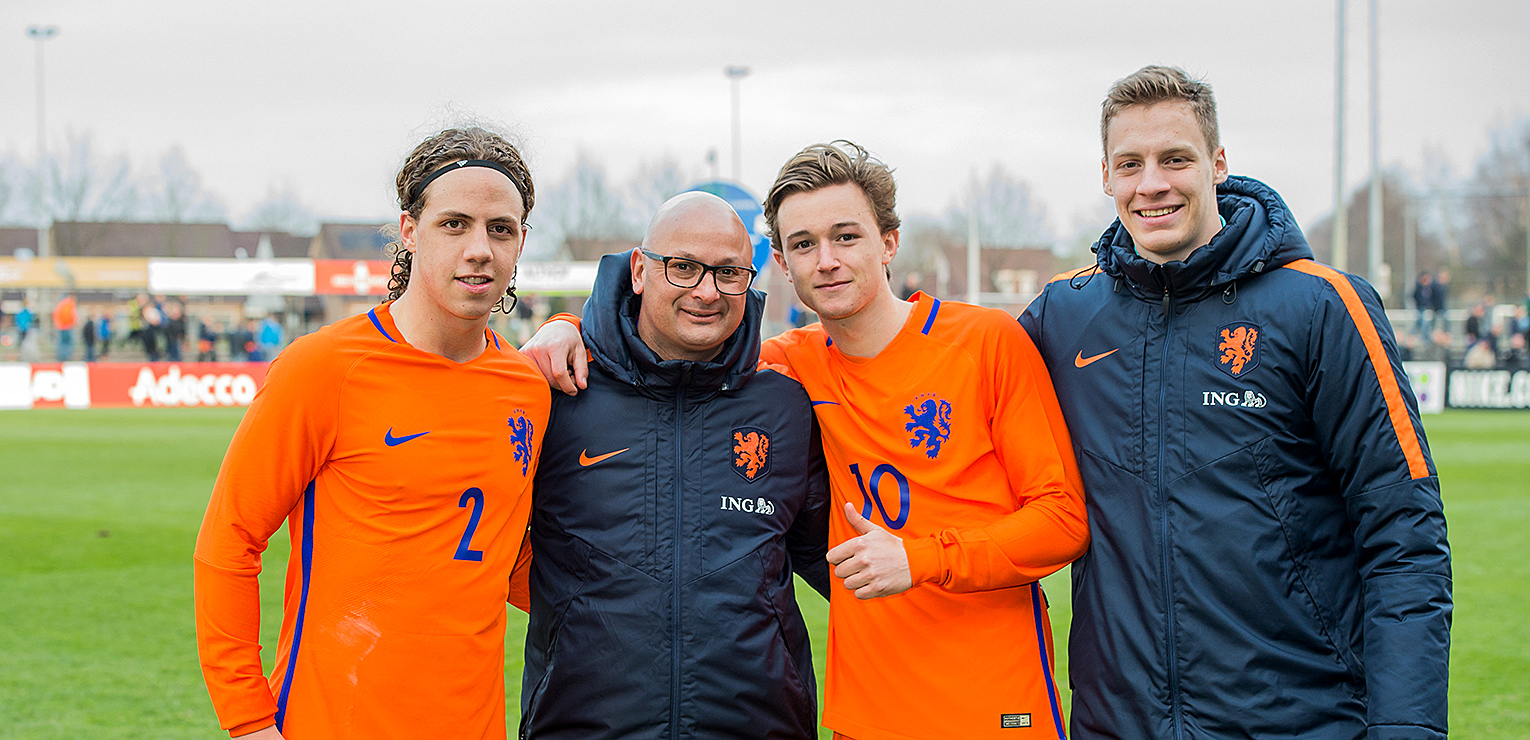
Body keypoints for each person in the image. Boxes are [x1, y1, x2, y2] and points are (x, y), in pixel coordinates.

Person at [525, 141, 1088, 739]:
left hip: (991, 703)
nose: (826, 260)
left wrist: (921, 559)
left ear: (889, 243)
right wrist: (567, 327)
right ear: (782, 266)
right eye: (802, 244)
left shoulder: (986, 342)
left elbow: (1063, 520)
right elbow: (670, 363)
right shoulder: (784, 369)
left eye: (846, 236)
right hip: (863, 714)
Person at [1019, 66, 1450, 740]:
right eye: (1130, 163)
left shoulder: (1321, 305)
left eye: (1175, 159)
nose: (1152, 183)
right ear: (1105, 175)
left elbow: (1405, 537)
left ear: (1218, 164)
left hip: (1302, 723)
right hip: (1116, 723)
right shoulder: (1062, 317)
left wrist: (1408, 729)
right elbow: (949, 395)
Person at [194, 126, 550, 740]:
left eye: (501, 229)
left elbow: (510, 564)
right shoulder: (323, 370)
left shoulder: (527, 388)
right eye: (454, 223)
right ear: (409, 231)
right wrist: (248, 720)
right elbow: (229, 541)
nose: (479, 249)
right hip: (332, 721)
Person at [517, 192, 831, 739]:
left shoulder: (786, 405)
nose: (707, 292)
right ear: (639, 269)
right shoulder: (557, 393)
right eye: (683, 267)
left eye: (729, 273)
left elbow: (828, 558)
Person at [52, 294, 77, 362]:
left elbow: (56, 315)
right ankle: (67, 357)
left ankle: (61, 357)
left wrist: (58, 325)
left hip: (61, 327)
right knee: (68, 343)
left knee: (61, 343)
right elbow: (73, 315)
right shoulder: (70, 304)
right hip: (68, 326)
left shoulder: (60, 304)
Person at [1412, 271, 1436, 336]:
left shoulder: (1432, 288)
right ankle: (1422, 336)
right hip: (1421, 308)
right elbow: (1414, 296)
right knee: (1422, 321)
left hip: (1430, 308)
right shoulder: (1418, 288)